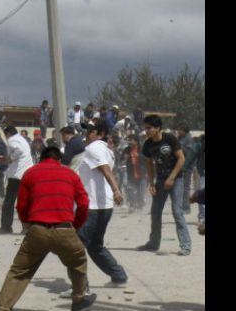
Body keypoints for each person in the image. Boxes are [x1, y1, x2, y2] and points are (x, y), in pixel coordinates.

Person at [0, 146, 95, 311]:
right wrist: (75, 226)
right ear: (59, 160)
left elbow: (21, 205)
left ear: (41, 158)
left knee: (19, 271)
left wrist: (27, 224)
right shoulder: (70, 174)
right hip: (64, 229)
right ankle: (78, 300)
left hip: (37, 229)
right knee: (78, 262)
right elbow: (84, 204)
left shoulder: (30, 173)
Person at [75, 120, 128, 288]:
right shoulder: (106, 149)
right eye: (87, 130)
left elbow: (105, 170)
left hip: (93, 207)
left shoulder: (94, 148)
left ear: (101, 133)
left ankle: (80, 287)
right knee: (95, 246)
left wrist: (116, 190)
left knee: (75, 246)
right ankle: (118, 277)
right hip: (104, 206)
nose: (86, 134)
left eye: (91, 131)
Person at [136, 115, 192, 255]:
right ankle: (153, 243)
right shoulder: (148, 144)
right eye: (145, 128)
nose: (146, 130)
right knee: (155, 212)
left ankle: (185, 245)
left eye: (149, 128)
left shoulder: (170, 139)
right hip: (160, 180)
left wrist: (172, 177)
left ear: (158, 128)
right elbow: (149, 164)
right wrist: (151, 183)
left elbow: (181, 159)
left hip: (176, 179)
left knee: (177, 211)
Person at [0, 125, 33, 235]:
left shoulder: (12, 140)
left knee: (9, 202)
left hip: (16, 175)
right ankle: (27, 227)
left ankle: (6, 227)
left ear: (8, 134)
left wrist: (9, 159)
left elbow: (18, 150)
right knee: (24, 202)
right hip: (26, 174)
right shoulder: (22, 139)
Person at [123, 134, 147, 212]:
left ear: (136, 141)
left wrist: (139, 156)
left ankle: (140, 205)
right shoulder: (127, 149)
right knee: (130, 190)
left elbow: (147, 158)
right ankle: (132, 205)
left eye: (131, 140)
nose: (129, 142)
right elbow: (121, 158)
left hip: (141, 174)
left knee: (141, 193)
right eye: (129, 140)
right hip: (131, 174)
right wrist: (124, 157)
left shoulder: (142, 149)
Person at [176, 126, 195, 214]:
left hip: (187, 166)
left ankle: (186, 207)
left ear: (184, 130)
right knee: (179, 187)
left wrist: (179, 148)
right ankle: (180, 206)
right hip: (180, 165)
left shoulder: (189, 139)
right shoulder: (180, 138)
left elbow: (189, 153)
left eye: (179, 129)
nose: (178, 131)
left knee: (186, 187)